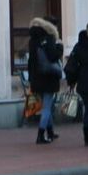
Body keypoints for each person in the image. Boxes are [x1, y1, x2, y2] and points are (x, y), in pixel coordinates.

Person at [27, 16, 64, 145]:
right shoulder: (49, 38)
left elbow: (30, 61)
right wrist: (60, 47)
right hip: (49, 77)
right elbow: (53, 56)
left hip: (37, 77)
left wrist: (31, 79)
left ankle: (50, 131)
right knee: (47, 107)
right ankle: (40, 135)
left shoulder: (33, 40)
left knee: (45, 105)